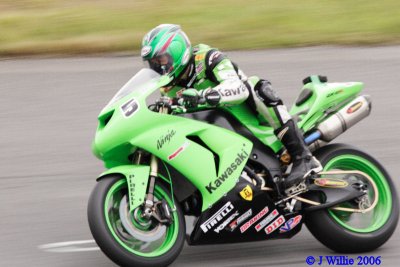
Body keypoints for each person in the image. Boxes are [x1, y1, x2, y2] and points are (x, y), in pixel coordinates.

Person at [141, 24, 322, 190]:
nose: (159, 67)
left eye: (161, 59)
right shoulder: (168, 88)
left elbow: (238, 88)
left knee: (256, 87)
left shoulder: (208, 58)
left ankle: (303, 157)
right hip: (220, 135)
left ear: (177, 50)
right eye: (154, 63)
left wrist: (207, 95)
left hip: (250, 121)